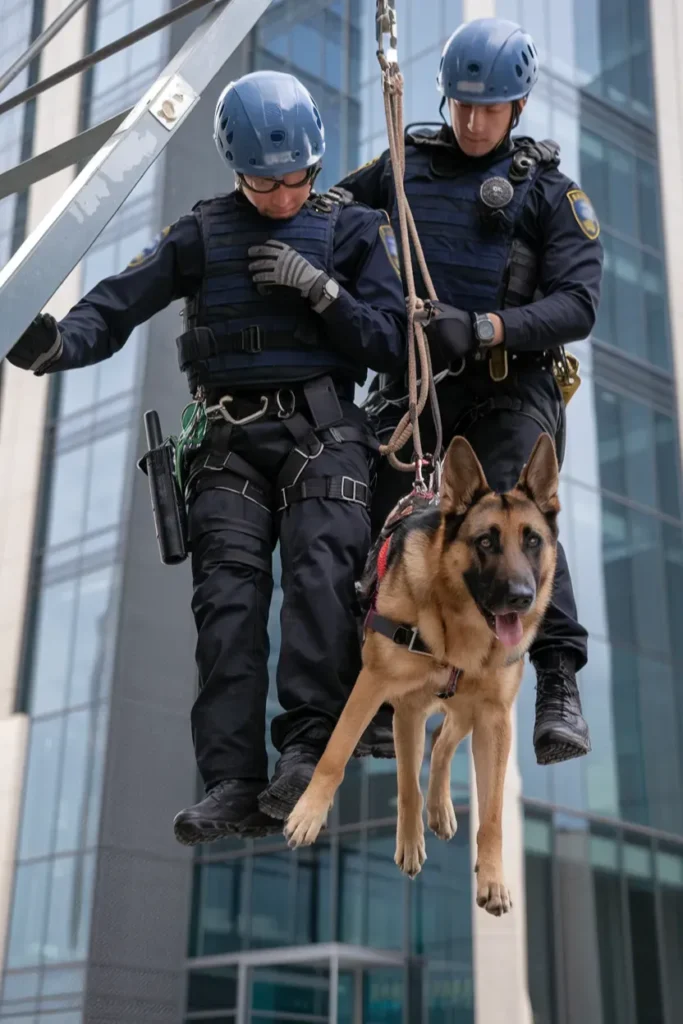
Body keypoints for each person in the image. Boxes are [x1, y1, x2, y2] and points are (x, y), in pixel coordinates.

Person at [6, 70, 407, 842]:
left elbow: (391, 341)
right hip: (227, 446)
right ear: (235, 168)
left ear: (315, 165)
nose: (283, 196)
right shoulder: (202, 231)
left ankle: (305, 751)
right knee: (225, 609)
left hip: (321, 434)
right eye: (264, 183)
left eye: (296, 181)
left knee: (322, 583)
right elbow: (116, 304)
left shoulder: (354, 230)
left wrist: (323, 292)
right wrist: (56, 343)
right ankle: (231, 779)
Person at [338, 18, 604, 766]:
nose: (473, 121)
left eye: (489, 109)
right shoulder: (400, 167)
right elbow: (323, 218)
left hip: (504, 388)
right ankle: (366, 681)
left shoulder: (550, 194)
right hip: (413, 395)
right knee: (351, 518)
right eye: (461, 106)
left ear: (518, 108)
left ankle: (556, 683)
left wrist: (485, 327)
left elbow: (577, 305)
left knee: (520, 517)